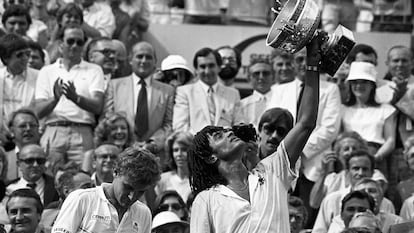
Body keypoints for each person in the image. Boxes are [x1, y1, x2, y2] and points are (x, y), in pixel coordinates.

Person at [188, 36, 321, 232]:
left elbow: (305, 123)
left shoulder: (273, 169)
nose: (228, 133)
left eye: (226, 129)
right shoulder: (206, 199)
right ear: (210, 157)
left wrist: (312, 64)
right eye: (219, 136)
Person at [269, 47, 341, 227]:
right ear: (293, 62)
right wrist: (288, 152)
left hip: (315, 164)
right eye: (299, 60)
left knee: (309, 216)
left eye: (306, 59)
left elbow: (330, 129)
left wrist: (300, 150)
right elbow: (271, 123)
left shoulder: (330, 89)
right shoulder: (278, 90)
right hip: (283, 162)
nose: (302, 64)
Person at [35, 24, 105, 169]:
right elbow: (39, 111)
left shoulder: (94, 70)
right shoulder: (46, 71)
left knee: (84, 179)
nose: (75, 45)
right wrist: (55, 98)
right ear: (61, 44)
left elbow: (97, 106)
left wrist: (76, 98)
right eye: (70, 41)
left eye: (79, 42)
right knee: (50, 179)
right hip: (53, 130)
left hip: (82, 130)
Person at [52, 146, 161, 233]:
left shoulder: (144, 213)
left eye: (140, 192)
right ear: (115, 172)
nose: (132, 196)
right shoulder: (81, 199)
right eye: (128, 187)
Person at [112, 41, 175, 151]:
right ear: (130, 59)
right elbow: (107, 119)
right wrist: (128, 142)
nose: (144, 61)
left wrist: (153, 144)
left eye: (149, 57)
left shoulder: (167, 91)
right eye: (140, 56)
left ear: (155, 62)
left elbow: (168, 124)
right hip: (122, 151)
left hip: (154, 154)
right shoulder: (114, 86)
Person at [312, 150, 395, 233]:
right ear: (347, 172)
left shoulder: (385, 203)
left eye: (365, 169)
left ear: (372, 172)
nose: (360, 173)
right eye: (356, 168)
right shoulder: (332, 200)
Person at [341, 62, 397, 178]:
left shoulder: (386, 110)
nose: (359, 86)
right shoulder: (342, 109)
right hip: (348, 158)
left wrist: (375, 158)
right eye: (355, 82)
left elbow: (390, 140)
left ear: (372, 85)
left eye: (364, 82)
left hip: (376, 156)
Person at [173, 47, 245, 134]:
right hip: (194, 145)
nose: (207, 71)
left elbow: (240, 125)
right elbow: (180, 126)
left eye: (211, 66)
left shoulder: (233, 94)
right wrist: (201, 142)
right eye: (203, 67)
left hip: (225, 146)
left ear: (219, 67)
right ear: (196, 70)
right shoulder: (185, 92)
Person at [0, 34, 38, 131]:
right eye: (19, 55)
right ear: (5, 58)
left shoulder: (38, 77)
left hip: (28, 132)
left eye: (27, 53)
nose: (25, 58)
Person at [155, 132, 192, 201]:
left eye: (184, 149)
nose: (179, 154)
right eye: (175, 150)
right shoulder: (162, 179)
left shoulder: (199, 180)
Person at [5, 108, 40, 182]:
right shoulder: (5, 159)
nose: (28, 129)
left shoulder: (49, 160)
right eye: (22, 126)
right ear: (12, 130)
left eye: (32, 125)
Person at [240, 57, 275, 129]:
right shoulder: (241, 105)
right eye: (256, 73)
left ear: (273, 77)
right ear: (249, 78)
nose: (261, 77)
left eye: (266, 73)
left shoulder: (282, 100)